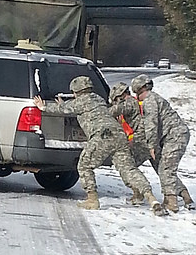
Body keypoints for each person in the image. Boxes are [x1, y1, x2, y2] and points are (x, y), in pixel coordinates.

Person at [33, 75, 164, 215]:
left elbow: (63, 109)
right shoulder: (98, 98)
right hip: (119, 135)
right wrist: (64, 104)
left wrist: (43, 106)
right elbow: (71, 107)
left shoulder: (80, 102)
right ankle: (151, 198)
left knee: (84, 165)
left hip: (102, 135)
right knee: (129, 169)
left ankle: (92, 199)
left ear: (76, 91)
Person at [131, 74, 195, 212]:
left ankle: (171, 203)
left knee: (166, 169)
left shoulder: (150, 101)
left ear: (141, 90)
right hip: (174, 136)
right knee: (165, 168)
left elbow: (151, 125)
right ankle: (185, 196)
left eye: (137, 94)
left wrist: (152, 146)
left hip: (175, 136)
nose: (137, 98)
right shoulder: (154, 98)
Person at [109, 81, 152, 204]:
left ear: (120, 96)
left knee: (127, 166)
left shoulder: (129, 103)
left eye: (116, 99)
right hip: (146, 139)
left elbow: (113, 111)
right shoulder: (135, 101)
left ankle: (141, 193)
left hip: (142, 141)